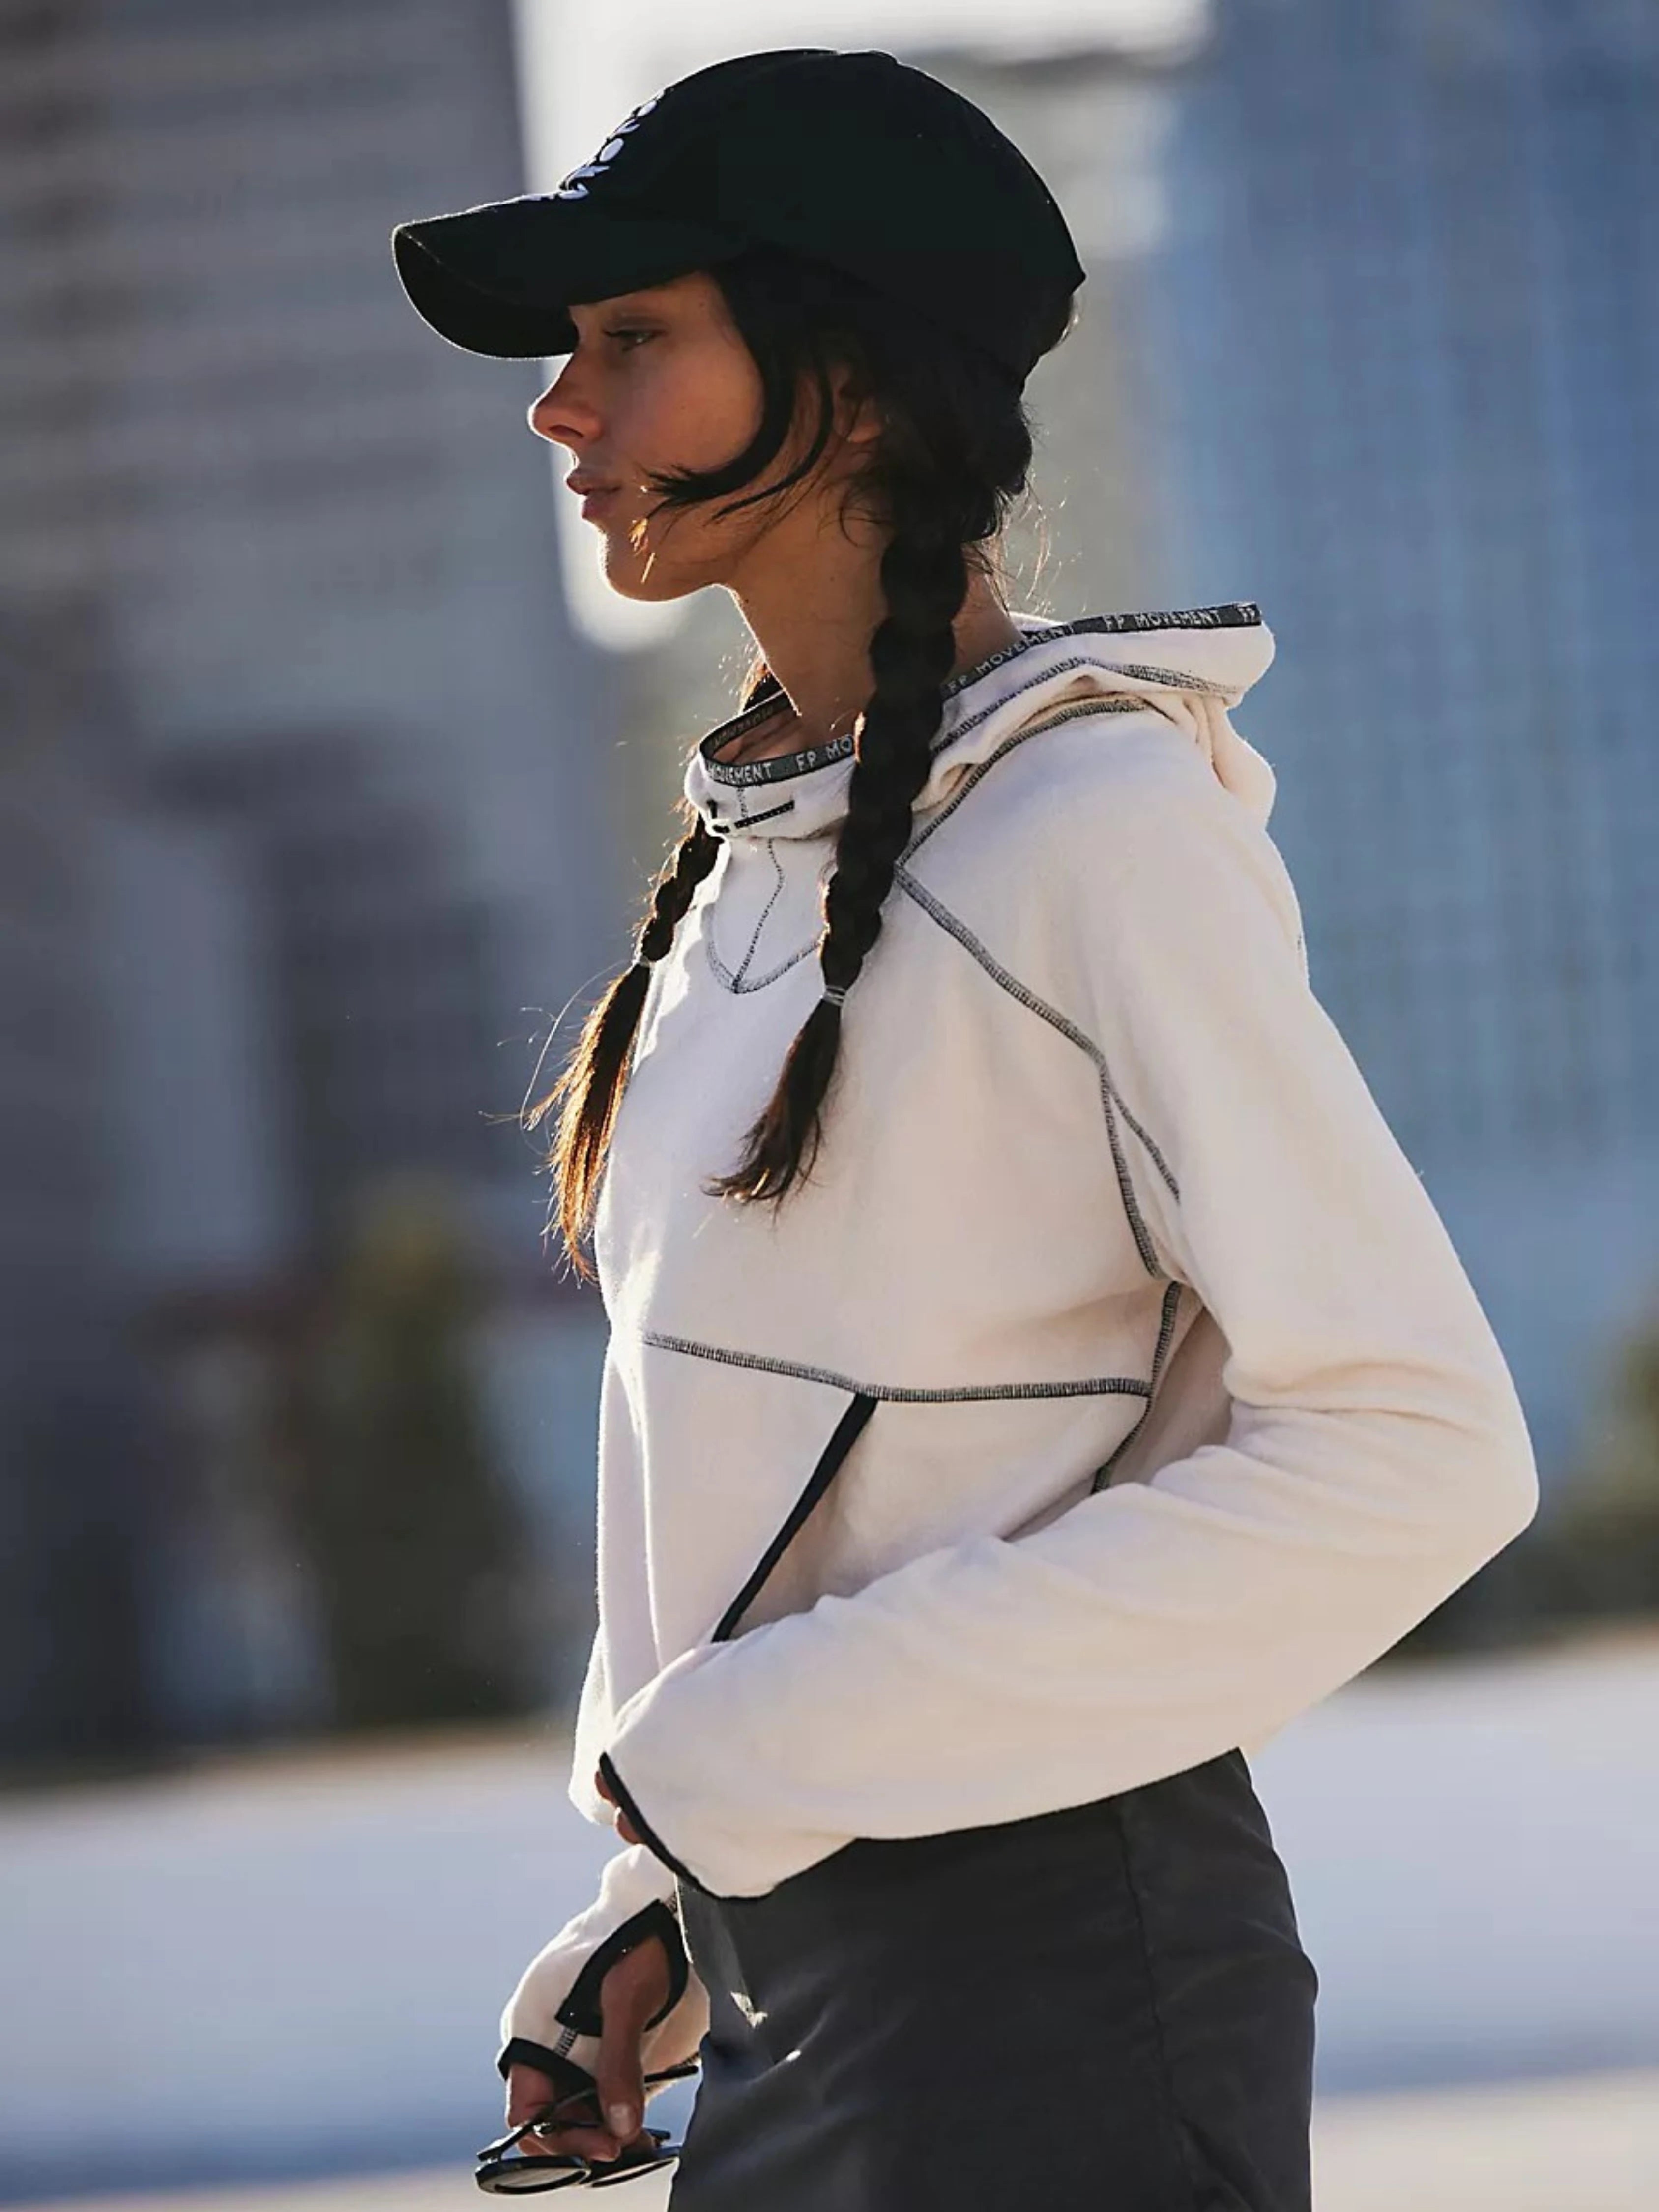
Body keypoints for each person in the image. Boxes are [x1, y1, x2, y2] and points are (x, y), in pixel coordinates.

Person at [391, 47, 1539, 2211]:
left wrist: (748, 1757)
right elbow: (834, 1484)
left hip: (1057, 1992)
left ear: (853, 376)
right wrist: (669, 1879)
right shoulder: (759, 867)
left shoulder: (1095, 834)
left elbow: (1415, 1445)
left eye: (633, 340)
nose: (563, 408)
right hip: (811, 1989)